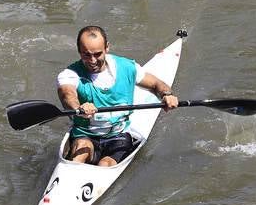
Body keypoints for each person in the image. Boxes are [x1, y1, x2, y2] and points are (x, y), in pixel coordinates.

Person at [56, 26, 178, 167]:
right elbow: (67, 95)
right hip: (86, 134)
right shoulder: (70, 74)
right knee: (80, 154)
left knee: (104, 164)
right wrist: (78, 107)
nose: (92, 60)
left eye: (97, 54)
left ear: (107, 47)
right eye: (86, 55)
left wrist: (167, 95)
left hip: (118, 135)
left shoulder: (127, 67)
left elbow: (157, 84)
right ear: (79, 51)